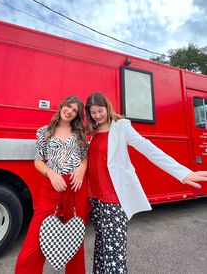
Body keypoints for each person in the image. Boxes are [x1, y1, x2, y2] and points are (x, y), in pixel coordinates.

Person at [85, 91, 207, 274]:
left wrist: (183, 173)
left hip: (114, 198)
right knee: (101, 246)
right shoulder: (93, 132)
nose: (97, 116)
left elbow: (148, 148)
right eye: (93, 113)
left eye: (100, 111)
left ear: (107, 107)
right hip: (95, 197)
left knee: (114, 251)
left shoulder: (121, 127)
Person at [15, 95, 89, 274]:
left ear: (77, 115)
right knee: (35, 238)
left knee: (74, 238)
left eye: (74, 111)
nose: (70, 111)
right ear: (62, 106)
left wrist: (81, 170)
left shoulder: (80, 133)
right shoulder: (44, 132)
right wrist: (51, 173)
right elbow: (38, 161)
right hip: (51, 188)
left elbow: (84, 157)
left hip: (76, 188)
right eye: (68, 107)